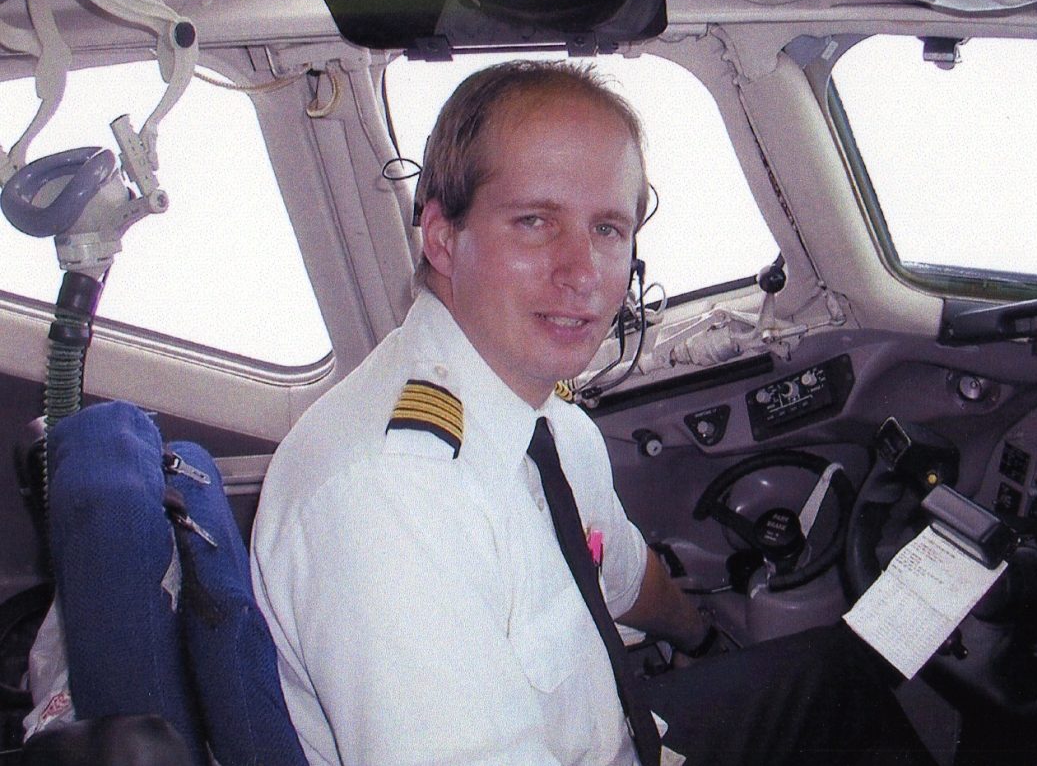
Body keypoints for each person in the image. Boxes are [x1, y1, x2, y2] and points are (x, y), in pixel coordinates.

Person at [250, 60, 933, 766]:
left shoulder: (547, 419)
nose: (582, 273)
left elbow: (627, 572)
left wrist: (702, 638)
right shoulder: (388, 499)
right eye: (535, 221)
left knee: (837, 673)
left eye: (608, 228)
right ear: (443, 237)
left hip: (626, 731)